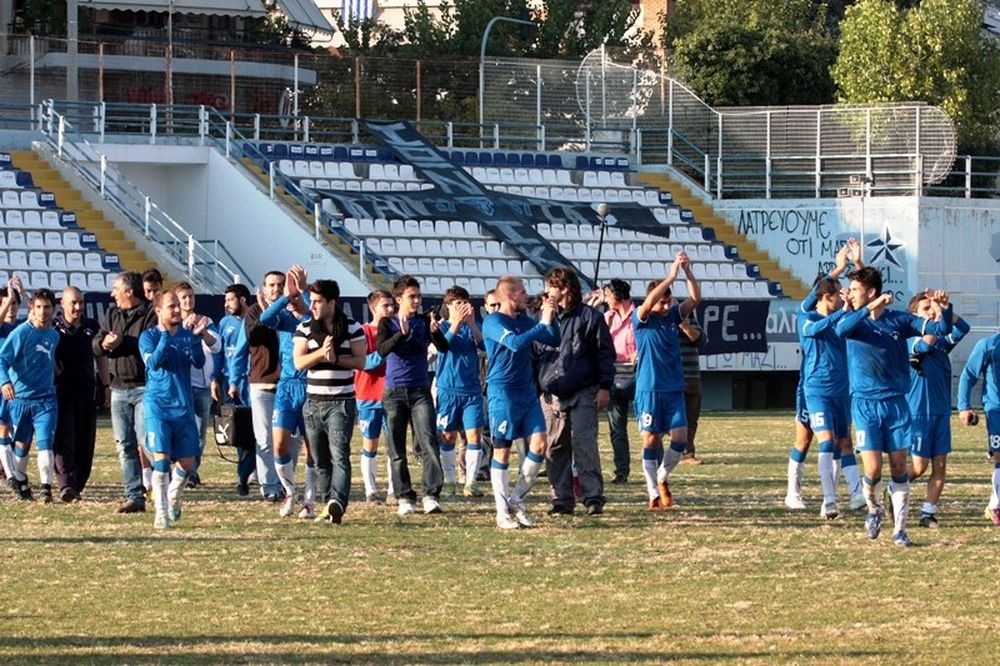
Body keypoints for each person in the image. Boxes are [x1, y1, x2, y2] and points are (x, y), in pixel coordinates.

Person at [835, 268, 953, 547]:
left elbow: (941, 330)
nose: (849, 293)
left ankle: (900, 530)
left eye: (854, 289)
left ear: (871, 291)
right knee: (873, 470)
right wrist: (869, 308)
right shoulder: (853, 319)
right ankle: (874, 508)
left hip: (897, 404)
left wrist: (944, 311)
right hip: (865, 404)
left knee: (900, 466)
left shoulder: (899, 319)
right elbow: (841, 330)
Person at [785, 241, 863, 511]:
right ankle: (794, 493)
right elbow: (815, 325)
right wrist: (837, 270)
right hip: (811, 389)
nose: (843, 297)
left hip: (841, 390)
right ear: (825, 296)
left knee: (844, 441)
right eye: (838, 293)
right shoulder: (806, 316)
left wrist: (851, 267)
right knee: (806, 440)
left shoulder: (843, 318)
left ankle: (854, 493)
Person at [482, 276, 560, 529]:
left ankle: (516, 499)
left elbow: (553, 339)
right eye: (522, 292)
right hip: (502, 393)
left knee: (539, 445)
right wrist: (543, 323)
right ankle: (501, 511)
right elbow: (515, 344)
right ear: (508, 296)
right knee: (502, 450)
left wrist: (552, 315)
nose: (527, 296)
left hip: (527, 391)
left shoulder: (525, 320)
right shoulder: (493, 321)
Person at [536, 267, 615, 516]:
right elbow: (535, 351)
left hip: (584, 389)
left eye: (550, 286)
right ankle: (561, 499)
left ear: (565, 288)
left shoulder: (591, 317)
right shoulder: (540, 318)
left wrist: (604, 387)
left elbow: (605, 353)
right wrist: (544, 321)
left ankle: (593, 496)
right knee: (554, 447)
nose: (546, 291)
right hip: (550, 393)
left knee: (583, 443)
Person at [139, 291, 213, 528]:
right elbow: (154, 362)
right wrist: (164, 336)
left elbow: (199, 362)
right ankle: (160, 513)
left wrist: (195, 338)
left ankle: (173, 495)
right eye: (170, 306)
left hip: (183, 406)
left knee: (187, 464)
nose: (176, 310)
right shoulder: (148, 337)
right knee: (161, 462)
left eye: (177, 306)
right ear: (158, 310)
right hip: (157, 406)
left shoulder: (185, 335)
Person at [293, 279, 365, 524]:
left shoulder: (353, 328)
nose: (312, 306)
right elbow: (299, 362)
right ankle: (327, 504)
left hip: (341, 402)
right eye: (311, 301)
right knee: (320, 459)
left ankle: (338, 502)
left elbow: (360, 362)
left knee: (340, 456)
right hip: (313, 403)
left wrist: (335, 359)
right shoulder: (304, 328)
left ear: (332, 303)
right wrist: (322, 353)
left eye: (317, 301)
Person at [376, 275, 449, 517]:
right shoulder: (388, 323)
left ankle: (431, 494)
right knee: (397, 448)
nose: (417, 300)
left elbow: (444, 347)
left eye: (418, 296)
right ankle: (404, 496)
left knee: (428, 442)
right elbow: (382, 350)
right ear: (399, 299)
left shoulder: (423, 321)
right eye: (412, 297)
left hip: (420, 390)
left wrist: (435, 332)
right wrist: (401, 334)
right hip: (394, 391)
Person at [634, 252, 701, 513]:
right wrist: (670, 275)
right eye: (661, 302)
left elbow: (695, 299)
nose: (665, 306)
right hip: (649, 389)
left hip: (674, 387)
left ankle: (661, 477)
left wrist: (687, 273)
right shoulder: (642, 319)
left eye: (668, 301)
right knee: (650, 440)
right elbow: (649, 302)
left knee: (680, 439)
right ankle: (652, 492)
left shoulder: (673, 316)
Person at [93, 271, 158, 513]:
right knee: (124, 445)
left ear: (129, 292)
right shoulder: (112, 313)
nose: (112, 294)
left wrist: (123, 342)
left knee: (147, 442)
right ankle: (134, 496)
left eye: (116, 289)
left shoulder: (151, 313)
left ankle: (165, 488)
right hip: (119, 387)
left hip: (144, 387)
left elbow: (151, 342)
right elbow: (96, 344)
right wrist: (104, 344)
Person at [905, 292, 969, 528]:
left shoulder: (942, 342)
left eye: (931, 308)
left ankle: (927, 513)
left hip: (941, 412)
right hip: (918, 412)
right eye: (925, 308)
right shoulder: (909, 340)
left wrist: (946, 307)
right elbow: (926, 343)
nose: (930, 311)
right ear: (913, 316)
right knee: (919, 467)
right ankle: (894, 488)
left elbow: (962, 328)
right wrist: (940, 317)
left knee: (940, 466)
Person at [259, 266, 315, 517]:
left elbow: (317, 319)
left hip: (311, 386)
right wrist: (286, 297)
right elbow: (265, 319)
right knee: (279, 445)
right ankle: (290, 492)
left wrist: (302, 293)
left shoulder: (310, 317)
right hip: (286, 388)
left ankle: (310, 500)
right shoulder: (284, 319)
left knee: (312, 449)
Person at [230, 270, 286, 501]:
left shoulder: (291, 310)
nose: (276, 289)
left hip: (288, 384)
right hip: (261, 383)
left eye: (281, 284)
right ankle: (269, 486)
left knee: (289, 439)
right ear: (263, 288)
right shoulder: (253, 312)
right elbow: (243, 348)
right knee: (264, 439)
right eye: (272, 284)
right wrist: (234, 380)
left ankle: (285, 481)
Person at [0, 288, 60, 502]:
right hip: (20, 399)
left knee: (45, 441)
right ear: (32, 309)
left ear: (53, 310)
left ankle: (46, 488)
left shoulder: (54, 335)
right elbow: (2, 359)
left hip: (46, 400)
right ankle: (20, 478)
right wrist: (5, 381)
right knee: (21, 444)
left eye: (47, 307)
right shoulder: (21, 333)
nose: (43, 311)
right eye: (38, 307)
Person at [435, 286, 487, 499]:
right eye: (458, 303)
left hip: (472, 390)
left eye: (465, 303)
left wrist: (472, 324)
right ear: (448, 306)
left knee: (475, 435)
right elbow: (442, 345)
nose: (462, 307)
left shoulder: (473, 326)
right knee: (448, 436)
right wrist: (456, 322)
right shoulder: (440, 327)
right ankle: (449, 482)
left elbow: (484, 345)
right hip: (447, 390)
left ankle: (471, 482)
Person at [52, 287, 103, 502]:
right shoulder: (54, 328)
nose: (78, 307)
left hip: (87, 391)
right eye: (73, 303)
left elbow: (101, 356)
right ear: (62, 304)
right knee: (64, 438)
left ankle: (78, 484)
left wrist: (106, 385)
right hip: (61, 391)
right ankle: (65, 484)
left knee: (85, 439)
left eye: (80, 302)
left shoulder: (92, 326)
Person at [174, 282, 222, 487]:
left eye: (191, 296)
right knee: (184, 430)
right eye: (184, 297)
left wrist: (202, 332)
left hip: (203, 386)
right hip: (183, 385)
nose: (188, 301)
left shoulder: (206, 320)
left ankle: (192, 471)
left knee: (200, 432)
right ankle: (182, 469)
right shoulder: (174, 323)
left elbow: (217, 346)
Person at [214, 283, 258, 494]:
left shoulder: (255, 319)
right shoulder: (225, 323)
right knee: (239, 430)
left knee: (258, 430)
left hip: (254, 381)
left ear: (242, 300)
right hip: (232, 382)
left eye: (230, 299)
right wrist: (215, 378)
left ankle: (250, 472)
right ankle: (244, 474)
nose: (226, 304)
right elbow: (219, 353)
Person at [956, 330, 1000, 526]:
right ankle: (996, 507)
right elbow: (968, 375)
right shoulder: (988, 345)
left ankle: (993, 503)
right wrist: (964, 406)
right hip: (996, 408)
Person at [355, 289, 393, 503]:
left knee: (394, 445)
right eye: (385, 306)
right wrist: (388, 348)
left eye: (391, 306)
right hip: (368, 394)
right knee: (370, 443)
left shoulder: (398, 329)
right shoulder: (363, 332)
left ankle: (392, 490)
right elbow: (365, 363)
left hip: (393, 394)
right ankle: (371, 490)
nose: (390, 310)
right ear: (373, 308)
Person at [600, 279, 637, 485]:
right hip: (614, 373)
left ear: (618, 294)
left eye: (608, 295)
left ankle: (656, 465)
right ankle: (621, 470)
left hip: (636, 373)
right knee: (616, 427)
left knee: (647, 424)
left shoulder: (639, 316)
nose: (606, 299)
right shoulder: (606, 318)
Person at [0, 276, 24, 487]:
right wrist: (8, 298)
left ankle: (13, 471)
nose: (11, 307)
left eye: (15, 303)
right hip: (2, 386)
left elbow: (38, 314)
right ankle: (11, 476)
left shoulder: (22, 327)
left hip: (21, 387)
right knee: (3, 429)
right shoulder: (1, 327)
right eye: (7, 303)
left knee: (19, 432)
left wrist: (22, 293)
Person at [679, 310, 708, 464]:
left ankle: (687, 453)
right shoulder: (656, 320)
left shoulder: (688, 317)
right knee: (673, 419)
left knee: (691, 418)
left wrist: (685, 326)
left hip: (692, 375)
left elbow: (702, 340)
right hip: (671, 376)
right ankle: (658, 453)